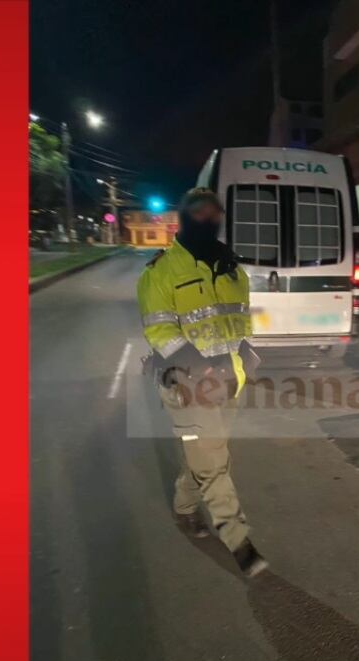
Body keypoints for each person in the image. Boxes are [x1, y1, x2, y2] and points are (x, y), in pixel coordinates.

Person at [137, 188, 267, 577]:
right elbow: (159, 330)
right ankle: (238, 540)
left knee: (206, 458)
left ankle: (184, 508)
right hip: (188, 387)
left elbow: (240, 322)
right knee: (213, 464)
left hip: (230, 384)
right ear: (183, 217)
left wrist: (246, 352)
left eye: (214, 213)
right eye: (199, 213)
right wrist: (196, 364)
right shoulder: (160, 272)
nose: (208, 219)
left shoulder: (232, 269)